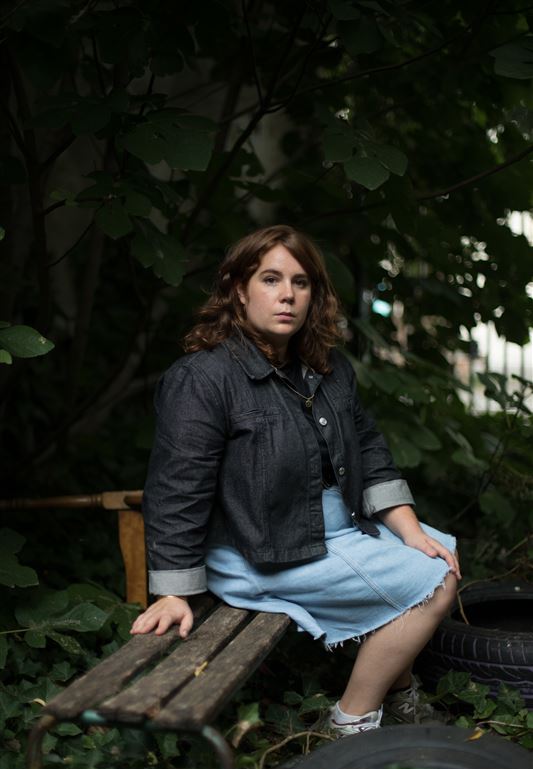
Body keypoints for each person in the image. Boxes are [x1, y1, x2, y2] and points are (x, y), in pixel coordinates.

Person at [130, 224, 461, 736]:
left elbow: (371, 453)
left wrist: (410, 530)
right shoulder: (203, 378)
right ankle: (351, 721)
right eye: (270, 279)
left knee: (434, 550)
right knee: (437, 582)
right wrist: (173, 590)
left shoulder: (329, 369)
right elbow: (177, 487)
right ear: (239, 290)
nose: (287, 295)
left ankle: (398, 693)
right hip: (260, 548)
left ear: (314, 294)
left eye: (301, 282)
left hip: (334, 532)